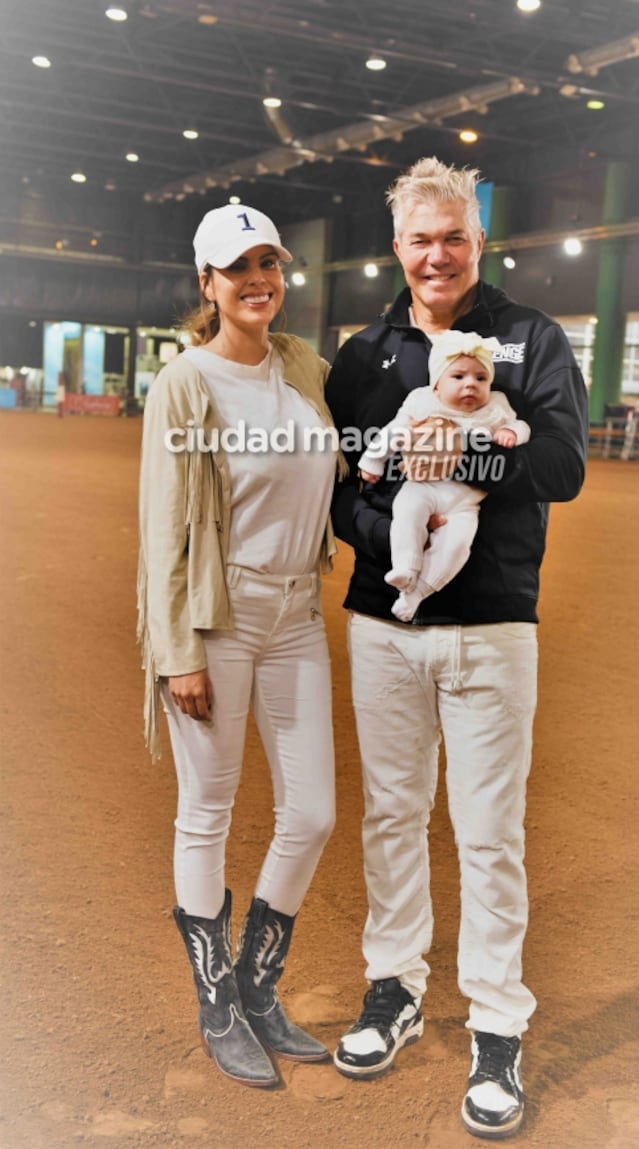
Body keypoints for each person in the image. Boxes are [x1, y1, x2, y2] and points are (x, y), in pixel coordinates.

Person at [326, 157, 589, 1140]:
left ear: (478, 241)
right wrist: (391, 524)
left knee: (488, 831)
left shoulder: (529, 340)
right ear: (397, 247)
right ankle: (391, 988)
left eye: (453, 237)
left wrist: (466, 458)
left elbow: (561, 464)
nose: (435, 255)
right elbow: (345, 486)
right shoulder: (363, 353)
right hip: (383, 626)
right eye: (418, 239)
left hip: (491, 625)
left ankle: (494, 1023)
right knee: (390, 816)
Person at [137, 203, 346, 1089]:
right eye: (238, 267)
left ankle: (258, 987)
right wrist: (176, 648)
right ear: (207, 284)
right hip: (217, 621)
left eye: (269, 262)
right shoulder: (184, 384)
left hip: (297, 615)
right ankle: (217, 999)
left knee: (314, 812)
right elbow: (163, 529)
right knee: (207, 810)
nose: (258, 278)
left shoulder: (304, 366)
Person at [357, 331, 530, 621]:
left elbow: (522, 425)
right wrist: (373, 461)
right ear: (437, 382)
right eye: (458, 377)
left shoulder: (496, 407)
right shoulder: (422, 402)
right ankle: (405, 566)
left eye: (480, 378)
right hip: (422, 485)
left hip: (464, 502)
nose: (470, 385)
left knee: (457, 547)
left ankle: (416, 593)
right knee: (406, 511)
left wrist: (511, 432)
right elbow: (394, 431)